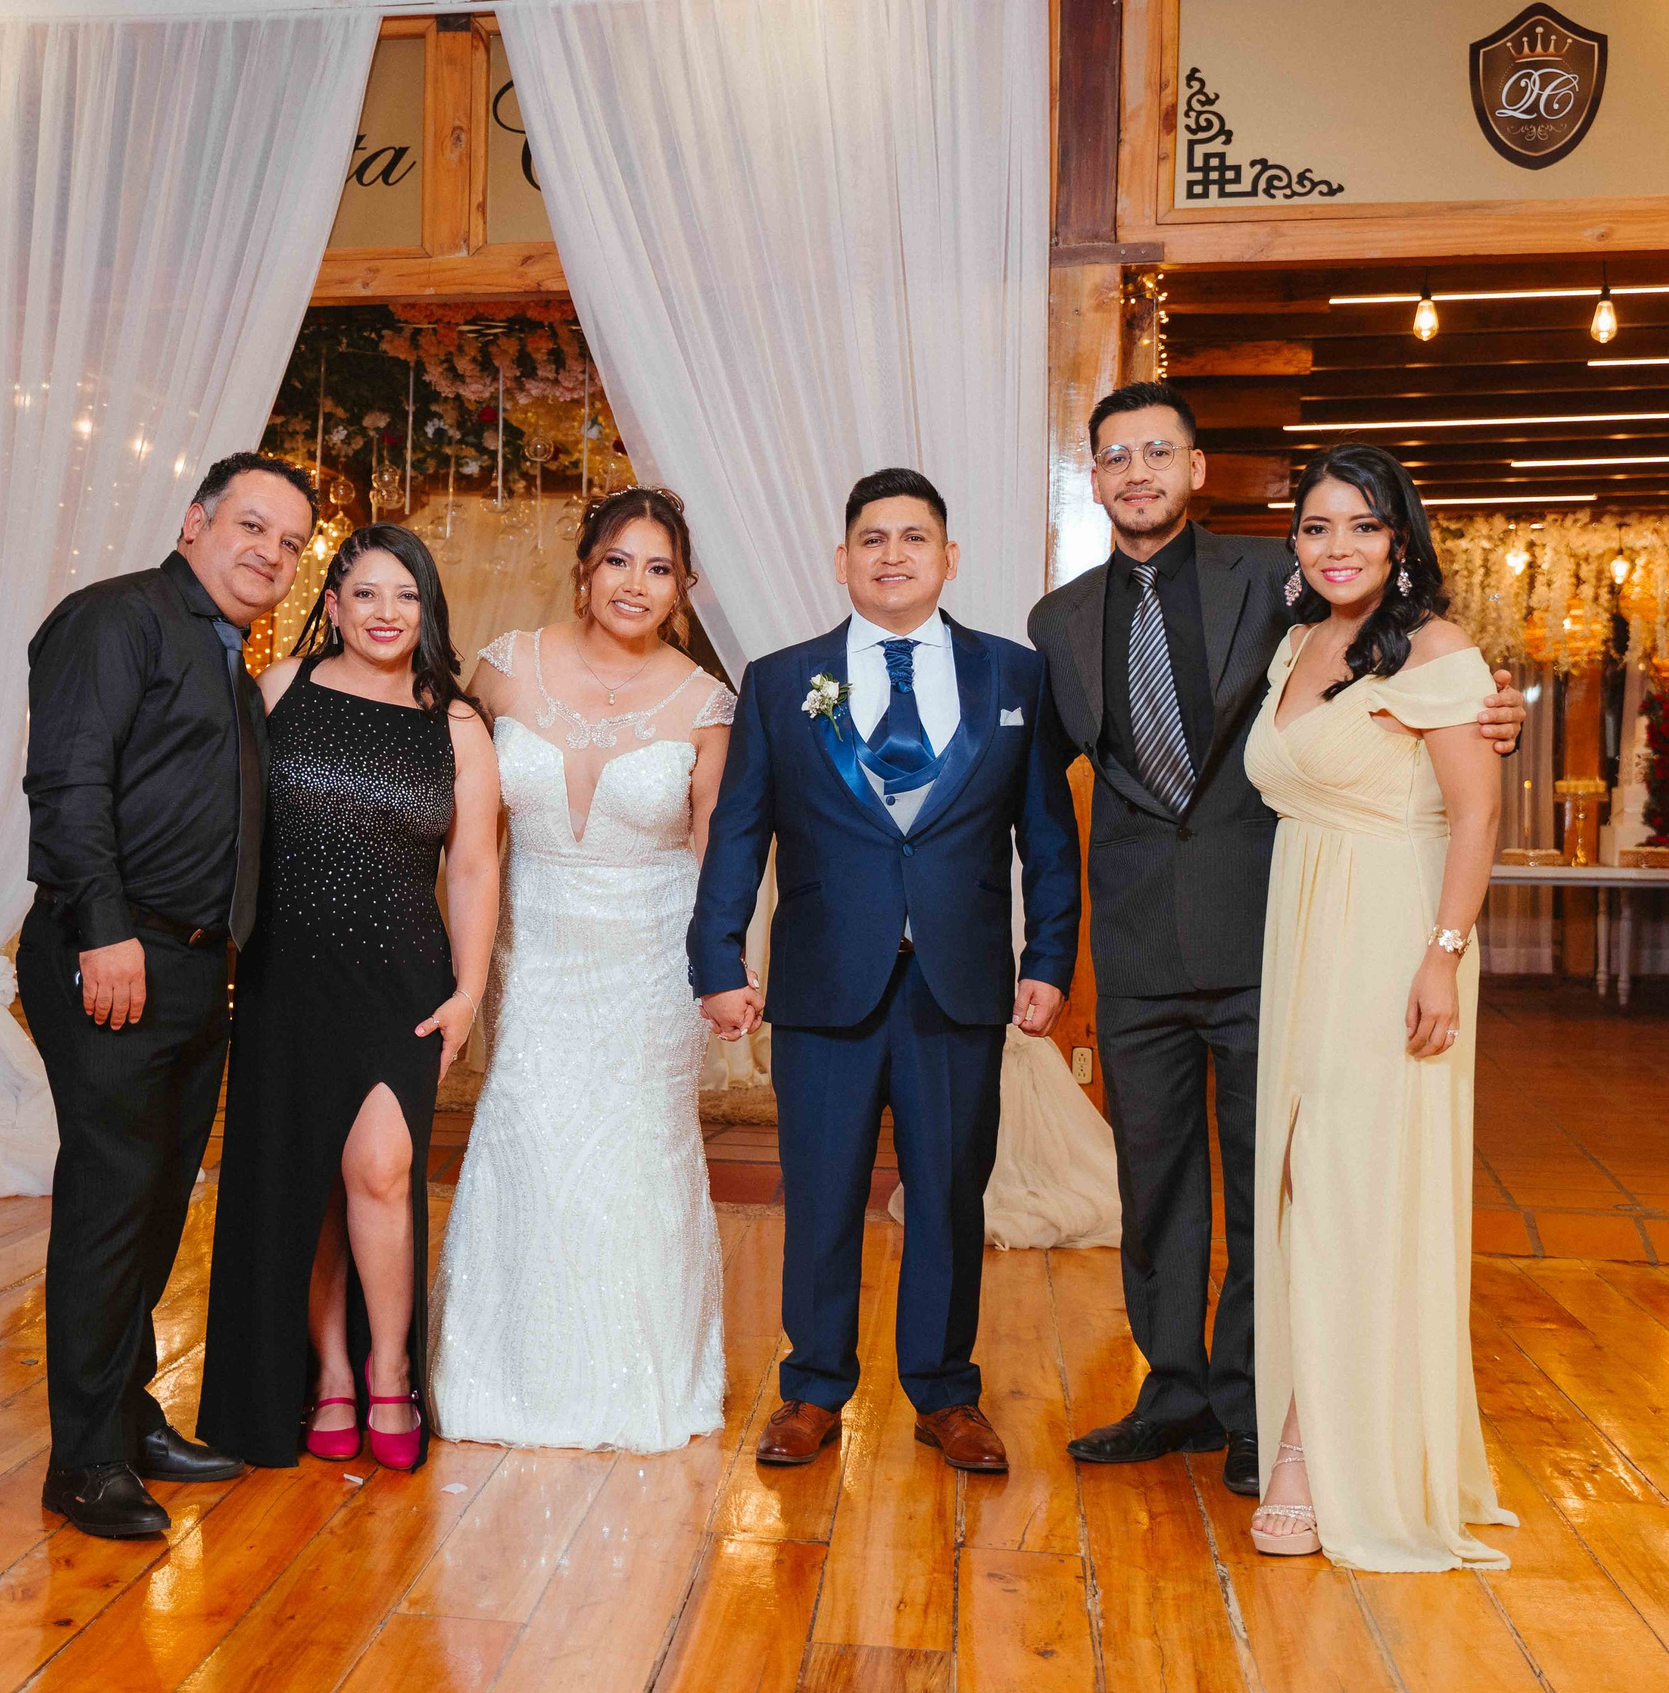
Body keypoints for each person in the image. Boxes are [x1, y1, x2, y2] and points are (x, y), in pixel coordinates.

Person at [1028, 381, 1525, 1496]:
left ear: (1198, 468)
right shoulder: (1055, 620)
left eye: (1160, 451)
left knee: (1275, 1182)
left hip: (1281, 939)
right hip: (1140, 948)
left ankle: (1263, 1401)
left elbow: (1412, 670)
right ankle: (1172, 1389)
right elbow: (1027, 787)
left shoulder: (1284, 577)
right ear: (1093, 476)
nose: (1138, 473)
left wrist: (1498, 711)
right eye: (1116, 457)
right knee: (1152, 1180)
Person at [688, 467, 1080, 1476]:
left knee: (950, 1190)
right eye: (872, 538)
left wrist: (1047, 957)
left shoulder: (1013, 677)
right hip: (825, 978)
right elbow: (739, 831)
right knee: (818, 1188)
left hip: (958, 980)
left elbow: (1045, 831)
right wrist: (717, 955)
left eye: (914, 537)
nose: (893, 553)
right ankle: (813, 1387)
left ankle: (946, 1392)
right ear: (841, 560)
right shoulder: (782, 680)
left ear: (949, 559)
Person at [18, 452, 314, 1538]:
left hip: (192, 964)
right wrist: (105, 929)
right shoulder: (116, 618)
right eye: (251, 525)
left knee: (153, 1203)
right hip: (115, 951)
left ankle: (128, 1412)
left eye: (288, 542)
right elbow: (68, 776)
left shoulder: (229, 658)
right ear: (194, 520)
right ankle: (83, 1459)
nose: (269, 554)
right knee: (110, 1203)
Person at [1243, 444, 1516, 1568]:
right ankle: (1320, 1418)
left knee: (1356, 1185)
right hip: (1303, 921)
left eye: (1360, 525)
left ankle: (1316, 1452)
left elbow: (1476, 813)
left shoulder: (1442, 652)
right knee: (1302, 1177)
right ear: (1296, 542)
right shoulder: (1296, 642)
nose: (1337, 545)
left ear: (1399, 539)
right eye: (1316, 526)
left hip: (1393, 928)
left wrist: (1441, 955)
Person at [429, 488, 737, 1452]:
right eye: (618, 561)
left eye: (658, 568)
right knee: (525, 1139)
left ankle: (640, 1379)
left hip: (650, 965)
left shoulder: (707, 703)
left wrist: (726, 972)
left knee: (636, 1158)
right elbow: (459, 832)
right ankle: (502, 1377)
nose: (635, 584)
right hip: (536, 952)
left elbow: (715, 854)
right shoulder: (505, 669)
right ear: (583, 569)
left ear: (683, 587)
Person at [198, 524, 500, 1476]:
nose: (386, 613)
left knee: (379, 1168)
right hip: (290, 977)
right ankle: (326, 1371)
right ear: (331, 606)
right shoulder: (281, 690)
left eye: (405, 596)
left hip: (401, 982)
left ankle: (389, 1369)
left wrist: (469, 992)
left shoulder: (455, 724)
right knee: (306, 1181)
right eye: (366, 594)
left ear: (428, 610)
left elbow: (476, 870)